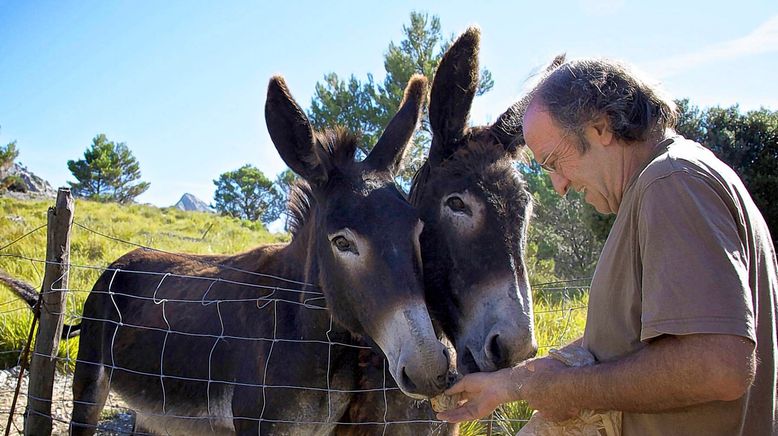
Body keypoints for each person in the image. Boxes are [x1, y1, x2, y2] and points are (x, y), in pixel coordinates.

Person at [436, 58, 777, 435]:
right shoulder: (682, 178)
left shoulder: (670, 183)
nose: (559, 186)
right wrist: (512, 384)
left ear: (600, 128)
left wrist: (565, 390)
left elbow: (719, 366)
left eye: (553, 161)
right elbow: (636, 341)